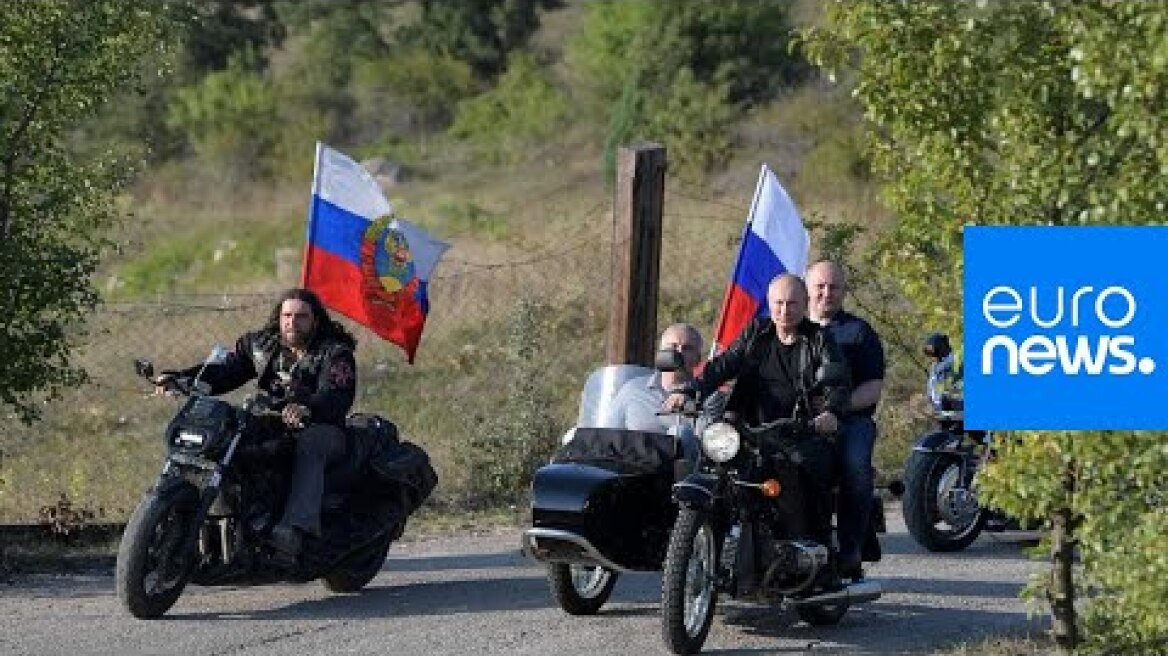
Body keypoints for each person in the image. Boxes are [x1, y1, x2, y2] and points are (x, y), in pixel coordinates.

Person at [156, 287, 358, 559]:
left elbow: (335, 396)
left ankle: (294, 528)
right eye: (287, 315)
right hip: (273, 421)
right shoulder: (262, 346)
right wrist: (181, 379)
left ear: (316, 320)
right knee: (229, 438)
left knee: (310, 444)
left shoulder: (334, 354)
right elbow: (226, 371)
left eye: (301, 316)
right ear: (278, 317)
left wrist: (306, 407)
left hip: (322, 426)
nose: (293, 322)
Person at [665, 274, 849, 548]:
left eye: (791, 303)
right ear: (769, 303)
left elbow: (837, 378)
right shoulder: (756, 332)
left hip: (798, 431)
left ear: (805, 303)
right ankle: (710, 539)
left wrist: (831, 411)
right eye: (778, 303)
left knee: (809, 470)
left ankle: (815, 543)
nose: (784, 310)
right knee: (715, 468)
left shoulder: (819, 339)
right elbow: (724, 365)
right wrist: (689, 390)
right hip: (746, 428)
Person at [806, 260, 886, 579]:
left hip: (850, 421)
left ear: (843, 291)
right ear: (807, 288)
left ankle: (851, 549)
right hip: (796, 420)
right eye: (820, 286)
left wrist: (836, 409)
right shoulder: (787, 329)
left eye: (834, 287)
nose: (827, 293)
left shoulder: (859, 333)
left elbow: (873, 388)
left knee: (856, 467)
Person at [609, 323, 705, 433]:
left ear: (698, 359)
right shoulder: (632, 390)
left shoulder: (707, 397)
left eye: (687, 348)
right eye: (672, 346)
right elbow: (607, 435)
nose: (679, 352)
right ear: (660, 353)